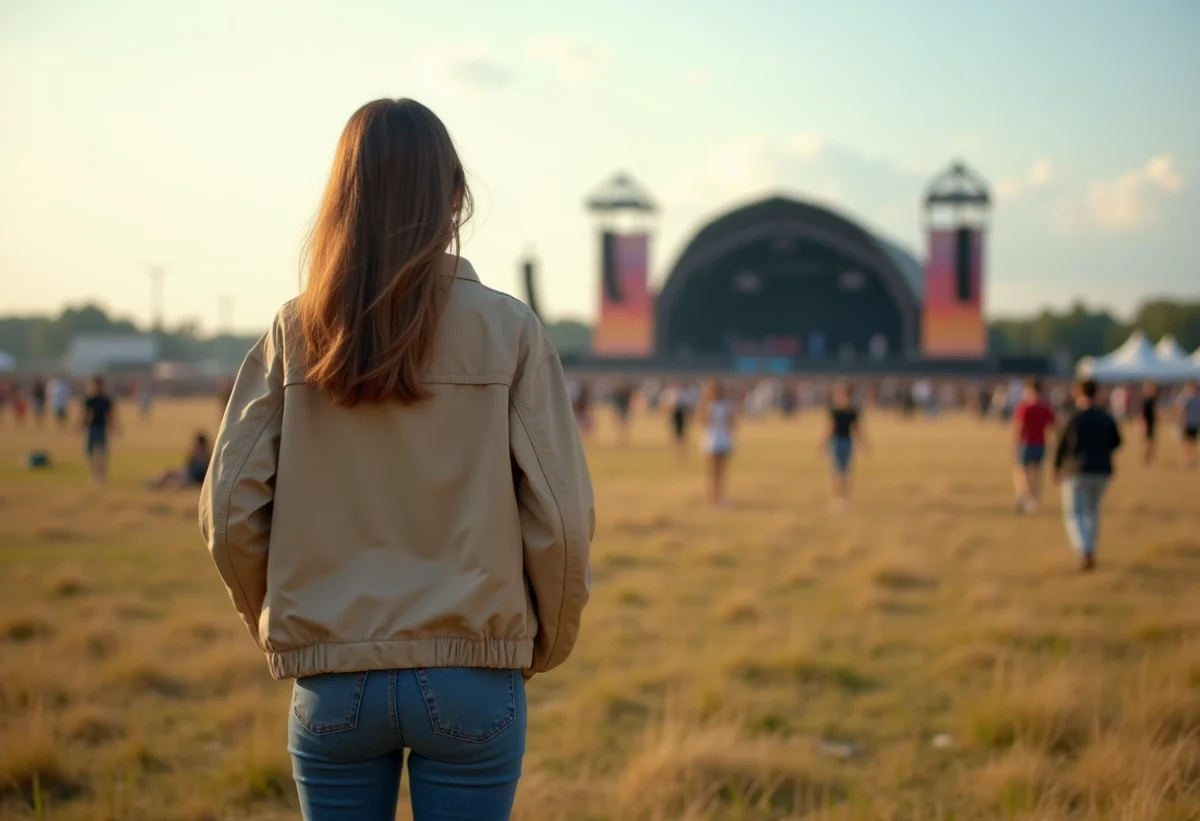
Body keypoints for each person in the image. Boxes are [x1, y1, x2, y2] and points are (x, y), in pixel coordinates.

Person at [198, 98, 594, 821]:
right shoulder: (510, 329)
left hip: (332, 677)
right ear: (454, 196)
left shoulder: (295, 330)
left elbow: (228, 512)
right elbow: (562, 518)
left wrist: (292, 624)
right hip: (475, 667)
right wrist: (538, 644)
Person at [1053, 378, 1122, 571]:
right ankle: (1090, 548)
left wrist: (1056, 467)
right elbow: (1117, 441)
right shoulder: (1106, 416)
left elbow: (1061, 444)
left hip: (1076, 471)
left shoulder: (1071, 416)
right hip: (1102, 471)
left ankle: (1085, 550)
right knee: (1092, 511)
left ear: (1078, 392)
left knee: (1074, 512)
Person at [1011, 377, 1057, 513]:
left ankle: (1025, 496)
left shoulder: (1024, 407)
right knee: (1037, 473)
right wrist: (1051, 446)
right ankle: (1035, 499)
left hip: (1027, 444)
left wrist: (1015, 445)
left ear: (1029, 390)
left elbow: (1019, 428)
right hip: (1040, 444)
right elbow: (1052, 428)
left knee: (1021, 471)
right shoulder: (1046, 408)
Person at [825, 381, 869, 512]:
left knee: (845, 472)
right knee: (837, 472)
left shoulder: (851, 410)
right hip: (837, 441)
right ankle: (838, 499)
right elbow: (830, 428)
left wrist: (863, 442)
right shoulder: (835, 409)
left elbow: (856, 429)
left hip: (846, 441)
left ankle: (845, 499)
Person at [699, 380, 735, 506]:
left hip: (721, 439)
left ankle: (719, 497)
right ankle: (713, 498)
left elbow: (731, 422)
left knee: (720, 472)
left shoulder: (724, 405)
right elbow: (703, 421)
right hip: (712, 440)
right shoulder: (708, 404)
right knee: (713, 472)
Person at [82, 376, 117, 484]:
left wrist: (113, 427)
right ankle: (99, 475)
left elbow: (109, 416)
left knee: (98, 454)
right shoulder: (92, 400)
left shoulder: (101, 400)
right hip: (95, 429)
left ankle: (100, 476)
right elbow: (87, 416)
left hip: (98, 429)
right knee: (96, 453)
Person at [146, 432, 211, 490]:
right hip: (188, 474)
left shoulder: (202, 455)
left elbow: (199, 472)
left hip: (191, 477)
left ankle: (155, 485)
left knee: (170, 476)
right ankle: (155, 484)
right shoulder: (204, 454)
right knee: (168, 473)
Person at [1179, 381, 1200, 469]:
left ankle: (1191, 460)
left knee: (1193, 442)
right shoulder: (1186, 398)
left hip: (1195, 423)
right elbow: (1182, 410)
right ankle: (1186, 460)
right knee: (1187, 442)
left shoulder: (1197, 399)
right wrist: (1182, 420)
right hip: (1188, 423)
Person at [1140, 381, 1159, 466]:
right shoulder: (1146, 401)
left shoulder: (1154, 400)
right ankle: (1146, 461)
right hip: (1147, 424)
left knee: (1153, 443)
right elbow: (1142, 415)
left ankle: (1150, 460)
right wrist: (1144, 426)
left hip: (1152, 424)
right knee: (1147, 444)